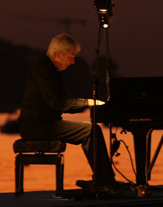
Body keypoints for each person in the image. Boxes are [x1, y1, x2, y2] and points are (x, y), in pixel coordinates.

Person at [18, 33, 116, 190]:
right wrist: (88, 102)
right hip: (37, 126)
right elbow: (57, 103)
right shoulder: (44, 69)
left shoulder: (50, 70)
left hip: (44, 123)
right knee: (90, 130)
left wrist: (85, 104)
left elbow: (59, 103)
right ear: (58, 54)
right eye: (71, 56)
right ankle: (104, 181)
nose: (73, 61)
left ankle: (104, 180)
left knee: (91, 130)